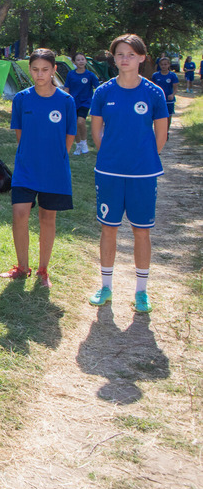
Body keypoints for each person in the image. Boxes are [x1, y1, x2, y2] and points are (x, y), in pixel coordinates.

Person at [88, 34, 168, 314]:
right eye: (120, 54)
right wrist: (108, 152)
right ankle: (106, 286)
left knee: (141, 232)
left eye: (131, 54)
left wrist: (144, 158)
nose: (125, 59)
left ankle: (141, 292)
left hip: (143, 174)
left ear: (142, 58)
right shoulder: (104, 91)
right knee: (109, 228)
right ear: (114, 58)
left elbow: (161, 134)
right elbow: (96, 129)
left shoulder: (154, 92)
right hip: (109, 171)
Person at [1, 49, 76, 288]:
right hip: (26, 168)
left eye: (45, 69)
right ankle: (22, 267)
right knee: (20, 214)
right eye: (35, 69)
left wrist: (53, 158)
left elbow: (69, 137)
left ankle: (43, 270)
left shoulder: (66, 101)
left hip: (54, 171)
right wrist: (30, 156)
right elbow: (20, 135)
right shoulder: (22, 98)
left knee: (47, 218)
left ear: (54, 70)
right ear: (30, 70)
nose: (40, 74)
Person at [65, 51, 99, 155]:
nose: (81, 61)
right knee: (74, 124)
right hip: (73, 102)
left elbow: (98, 88)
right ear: (74, 62)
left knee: (81, 122)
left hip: (85, 102)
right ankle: (78, 144)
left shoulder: (90, 75)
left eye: (82, 59)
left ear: (85, 61)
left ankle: (84, 142)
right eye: (78, 60)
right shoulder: (71, 74)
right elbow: (67, 88)